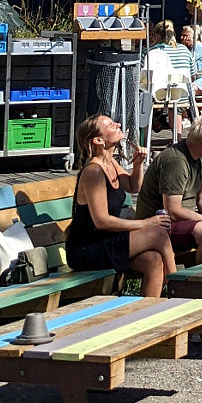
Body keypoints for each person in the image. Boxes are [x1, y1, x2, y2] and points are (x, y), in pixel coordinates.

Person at [65, 115, 175, 298]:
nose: (118, 124)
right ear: (98, 140)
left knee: (153, 260)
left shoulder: (111, 163)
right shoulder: (93, 171)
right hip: (87, 249)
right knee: (158, 233)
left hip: (106, 241)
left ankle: (146, 316)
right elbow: (102, 221)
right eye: (110, 125)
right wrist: (147, 223)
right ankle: (176, 286)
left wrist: (138, 165)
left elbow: (133, 187)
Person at [133, 115, 202, 263]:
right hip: (159, 224)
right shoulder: (176, 162)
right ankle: (201, 282)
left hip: (184, 217)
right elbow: (173, 211)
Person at [152, 18, 195, 139]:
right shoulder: (185, 50)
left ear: (156, 36)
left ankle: (144, 142)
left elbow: (146, 76)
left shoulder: (153, 51)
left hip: (160, 94)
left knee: (142, 100)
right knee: (176, 104)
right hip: (183, 93)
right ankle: (177, 139)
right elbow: (193, 72)